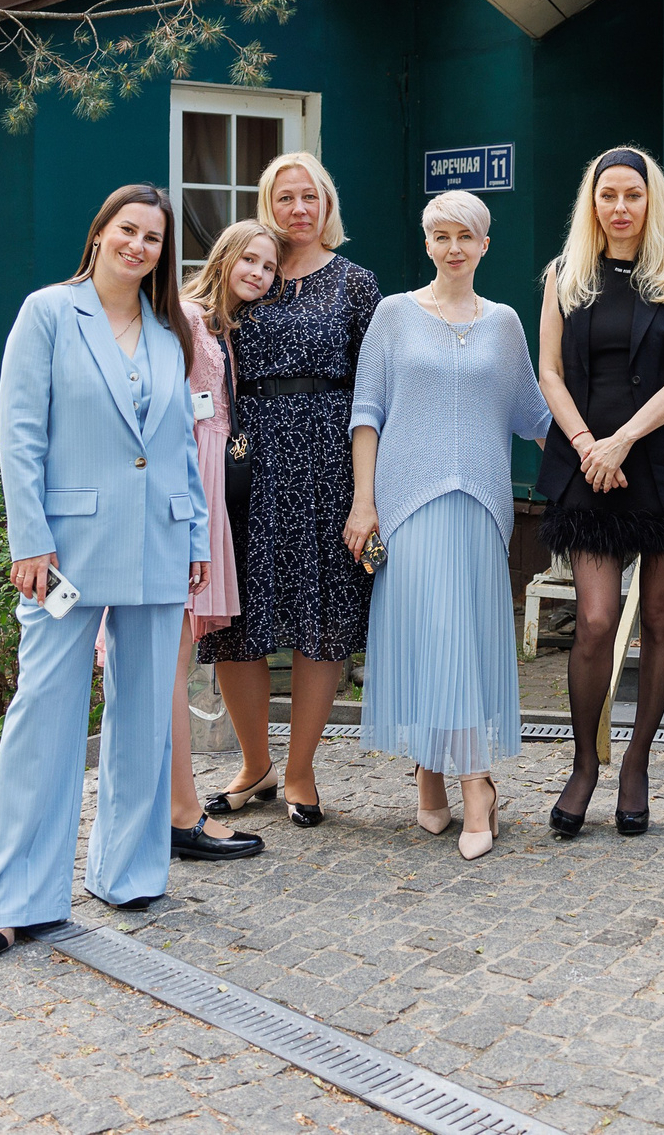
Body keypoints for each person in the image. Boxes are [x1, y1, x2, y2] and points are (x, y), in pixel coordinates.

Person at [0, 184, 207, 959]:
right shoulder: (48, 312)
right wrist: (29, 540)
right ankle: (16, 899)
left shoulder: (170, 336)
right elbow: (21, 433)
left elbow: (178, 448)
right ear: (100, 231)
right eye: (127, 230)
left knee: (144, 715)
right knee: (44, 716)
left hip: (160, 544)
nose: (138, 246)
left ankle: (129, 873)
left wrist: (197, 535)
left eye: (153, 238)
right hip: (65, 551)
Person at [536, 145, 664, 839]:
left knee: (659, 619)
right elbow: (550, 373)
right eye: (607, 195)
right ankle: (584, 764)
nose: (619, 207)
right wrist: (592, 445)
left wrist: (624, 439)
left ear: (652, 203)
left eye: (633, 195)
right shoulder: (565, 275)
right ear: (591, 205)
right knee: (593, 622)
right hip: (588, 464)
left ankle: (637, 763)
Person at [343, 191, 551, 860]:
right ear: (427, 243)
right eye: (441, 235)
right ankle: (442, 779)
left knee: (460, 636)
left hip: (481, 504)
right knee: (426, 635)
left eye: (466, 236)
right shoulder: (394, 315)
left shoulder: (506, 324)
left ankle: (471, 787)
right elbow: (366, 412)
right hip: (405, 504)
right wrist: (363, 503)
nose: (454, 247)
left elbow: (537, 417)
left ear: (485, 246)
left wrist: (604, 460)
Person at [200, 152, 380, 829]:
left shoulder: (358, 286)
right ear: (267, 205)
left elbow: (376, 392)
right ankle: (255, 765)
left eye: (309, 196)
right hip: (246, 459)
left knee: (319, 614)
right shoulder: (251, 272)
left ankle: (301, 769)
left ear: (327, 204)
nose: (298, 208)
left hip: (330, 459)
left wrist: (368, 492)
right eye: (285, 198)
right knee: (236, 617)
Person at [164, 220, 282, 863]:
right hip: (187, 487)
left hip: (212, 493)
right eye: (252, 260)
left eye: (269, 268)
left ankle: (173, 809)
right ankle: (180, 817)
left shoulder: (225, 326)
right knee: (168, 666)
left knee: (173, 663)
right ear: (226, 255)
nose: (260, 275)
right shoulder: (184, 314)